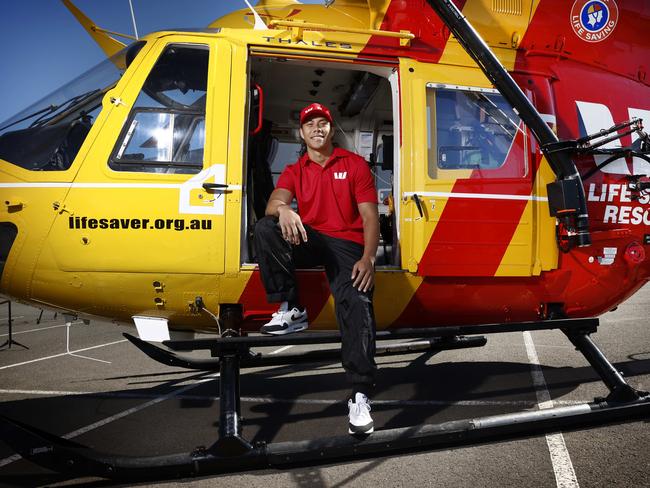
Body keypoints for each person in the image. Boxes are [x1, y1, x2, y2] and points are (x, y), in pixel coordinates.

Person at [254, 102, 379, 435]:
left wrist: (368, 257)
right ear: (302, 133)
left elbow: (369, 217)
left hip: (347, 245)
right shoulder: (295, 169)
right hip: (311, 238)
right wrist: (284, 211)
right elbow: (272, 204)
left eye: (322, 123)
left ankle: (360, 395)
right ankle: (291, 308)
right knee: (266, 226)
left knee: (356, 304)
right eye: (310, 124)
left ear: (331, 130)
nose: (317, 129)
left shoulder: (354, 165)